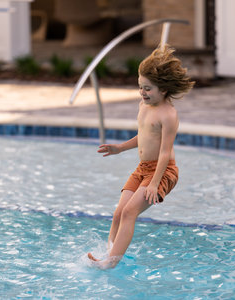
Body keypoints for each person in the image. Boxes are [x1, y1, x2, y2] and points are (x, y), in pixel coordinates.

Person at [88, 44, 194, 269]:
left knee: (129, 212)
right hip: (143, 168)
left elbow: (165, 151)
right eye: (140, 87)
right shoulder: (144, 106)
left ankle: (110, 262)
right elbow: (144, 136)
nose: (142, 93)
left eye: (148, 88)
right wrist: (120, 148)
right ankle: (109, 253)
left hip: (163, 171)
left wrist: (154, 184)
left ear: (163, 89)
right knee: (118, 213)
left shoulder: (168, 115)